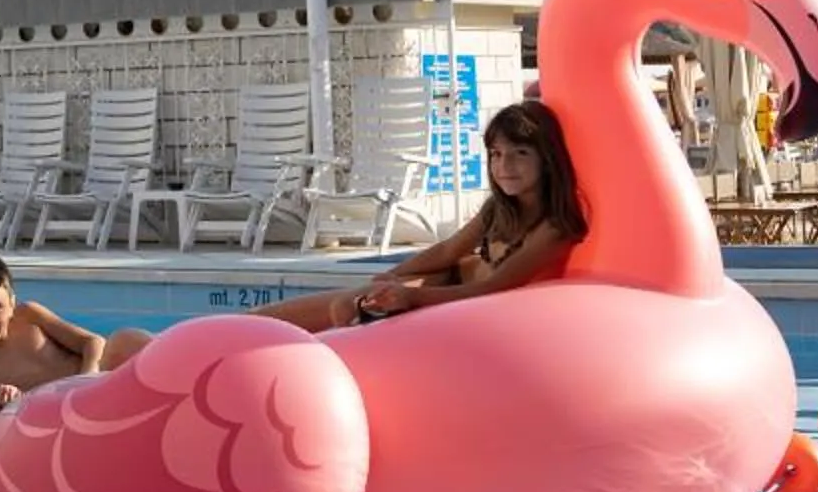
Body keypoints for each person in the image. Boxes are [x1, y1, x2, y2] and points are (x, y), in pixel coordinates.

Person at [250, 97, 588, 334]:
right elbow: (446, 251)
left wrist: (411, 296)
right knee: (346, 303)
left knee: (348, 309)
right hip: (448, 289)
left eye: (520, 154)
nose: (504, 167)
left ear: (547, 160)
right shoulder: (497, 211)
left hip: (472, 312)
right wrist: (390, 277)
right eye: (496, 154)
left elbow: (494, 287)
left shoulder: (556, 228)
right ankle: (240, 329)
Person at [0, 252, 153, 425]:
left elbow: (92, 342)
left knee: (124, 341)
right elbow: (6, 439)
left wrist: (85, 385)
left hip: (104, 379)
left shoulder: (29, 316)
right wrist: (18, 407)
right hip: (68, 422)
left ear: (11, 304)